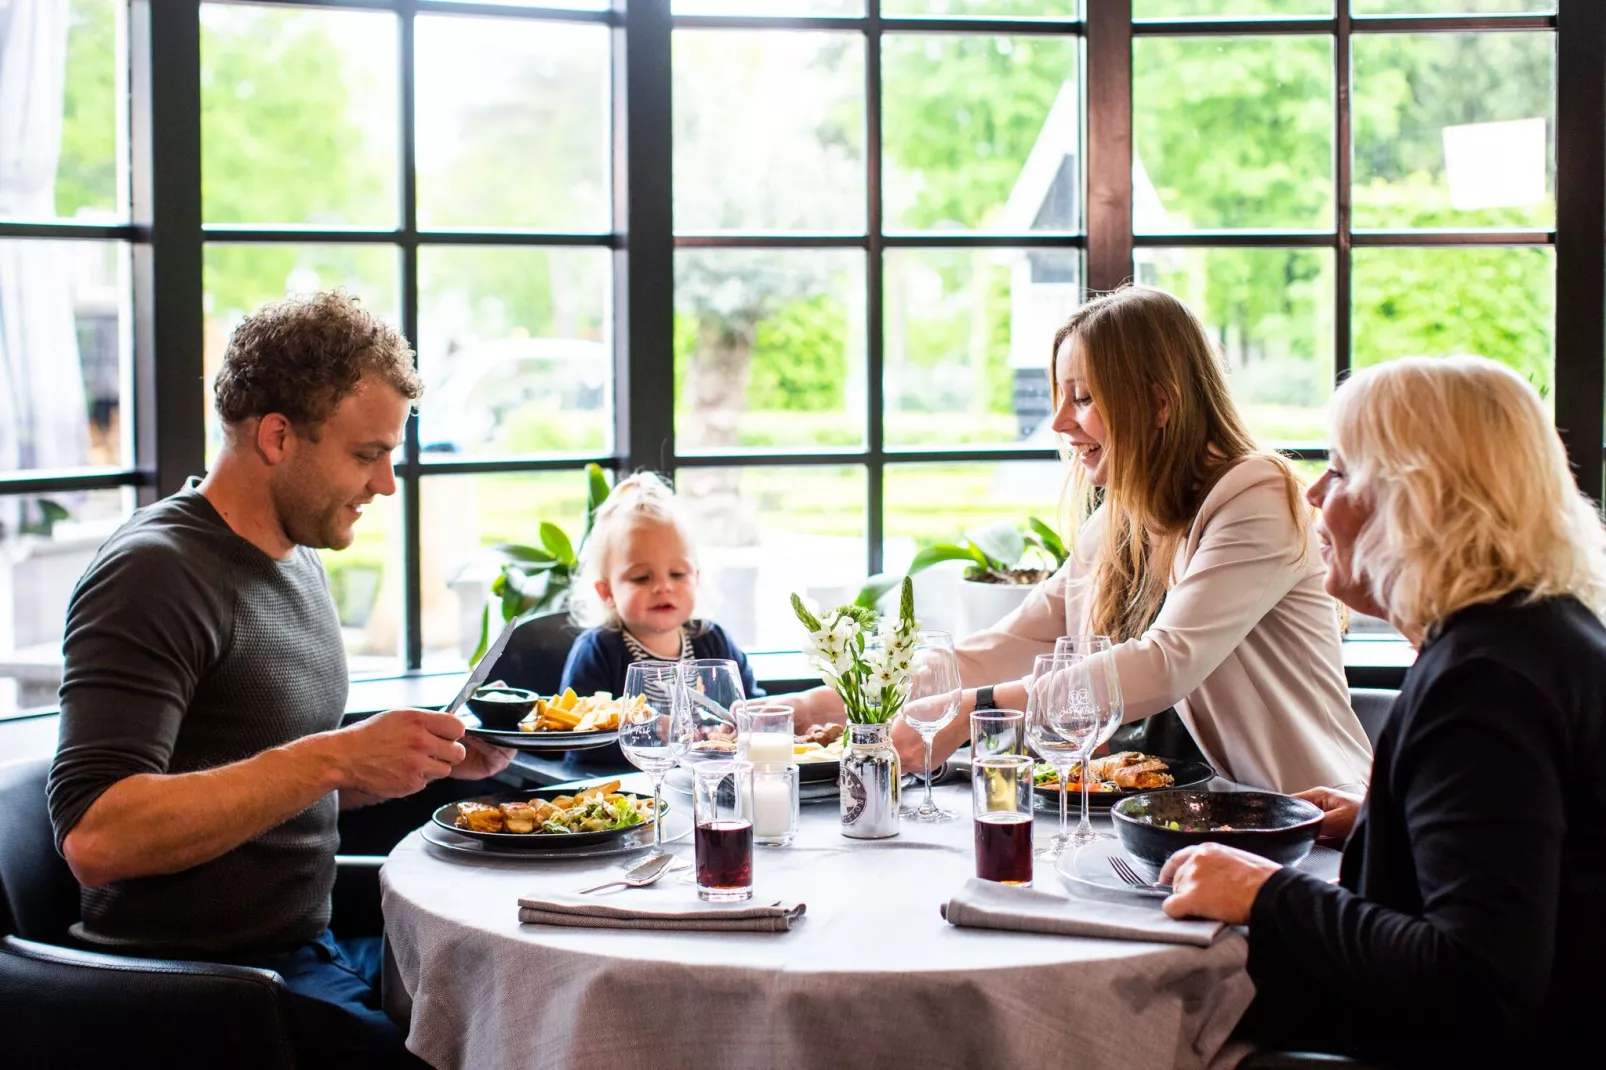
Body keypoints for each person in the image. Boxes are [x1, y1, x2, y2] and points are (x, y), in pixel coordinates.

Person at [46, 292, 513, 1069]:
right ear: (276, 437)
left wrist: (403, 761)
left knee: (500, 1008)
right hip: (203, 996)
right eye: (367, 455)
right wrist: (332, 758)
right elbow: (97, 835)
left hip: (305, 948)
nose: (386, 485)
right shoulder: (155, 574)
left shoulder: (291, 555)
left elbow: (259, 775)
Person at [1159, 356, 1606, 1063]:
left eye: (1337, 472)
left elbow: (1476, 980)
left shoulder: (1481, 683)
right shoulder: (1544, 630)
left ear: (1416, 498)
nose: (1312, 494)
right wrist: (1383, 824)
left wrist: (1267, 894)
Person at [790, 285, 1371, 793]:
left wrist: (980, 711)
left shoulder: (1256, 496)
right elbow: (1008, 643)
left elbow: (1167, 662)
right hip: (1202, 824)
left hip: (1314, 826)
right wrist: (839, 699)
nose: (1060, 422)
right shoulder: (1121, 518)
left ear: (1159, 402)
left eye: (1084, 398)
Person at [560, 471, 761, 700]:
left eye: (677, 574)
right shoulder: (598, 652)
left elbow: (750, 712)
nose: (664, 586)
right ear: (607, 592)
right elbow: (580, 726)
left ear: (696, 578)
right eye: (642, 578)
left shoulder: (715, 643)